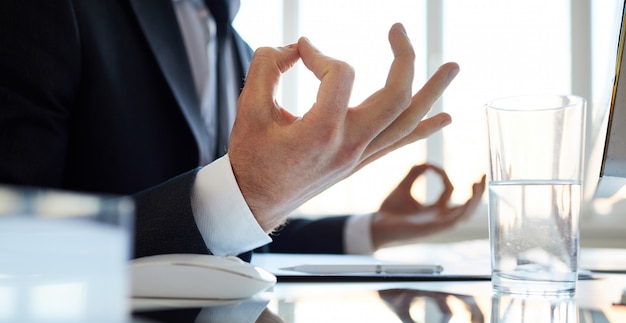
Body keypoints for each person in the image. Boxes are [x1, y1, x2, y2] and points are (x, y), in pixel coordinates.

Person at [0, 0, 485, 261]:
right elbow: (15, 239)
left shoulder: (236, 48)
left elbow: (227, 234)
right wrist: (248, 191)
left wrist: (374, 228)